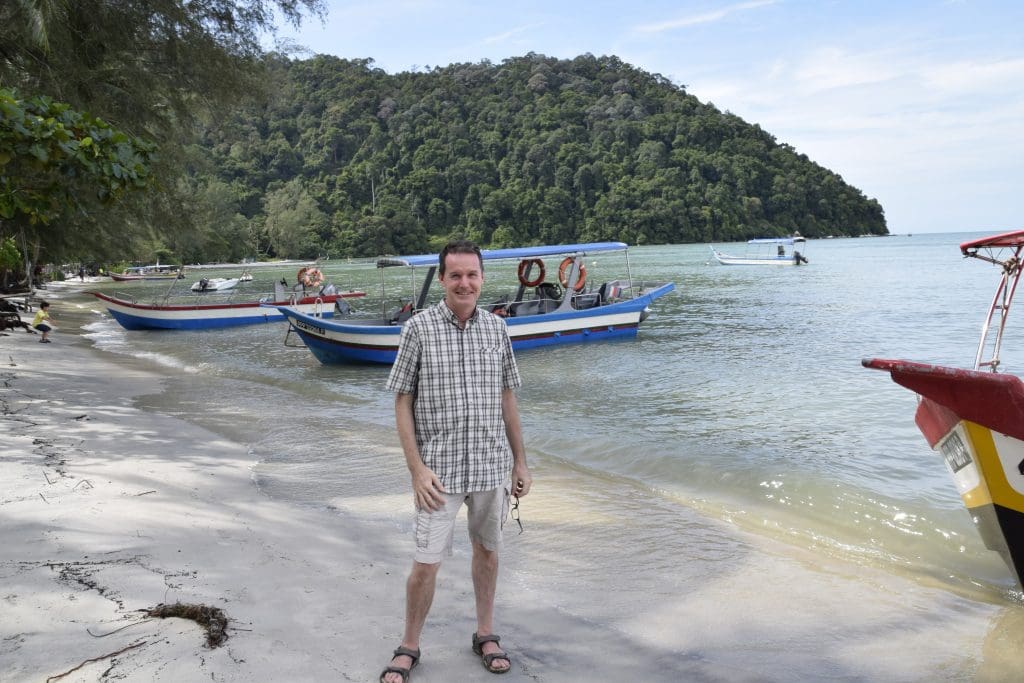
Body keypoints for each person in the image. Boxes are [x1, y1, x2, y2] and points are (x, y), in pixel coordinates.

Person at [380, 240, 532, 683]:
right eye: (456, 275)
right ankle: (409, 645)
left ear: (482, 278)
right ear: (443, 279)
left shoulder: (497, 329)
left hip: (490, 465)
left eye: (472, 275)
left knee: (488, 551)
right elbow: (402, 402)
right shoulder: (418, 328)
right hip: (438, 473)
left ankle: (485, 633)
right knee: (426, 562)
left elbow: (507, 399)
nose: (464, 283)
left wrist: (521, 463)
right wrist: (416, 469)